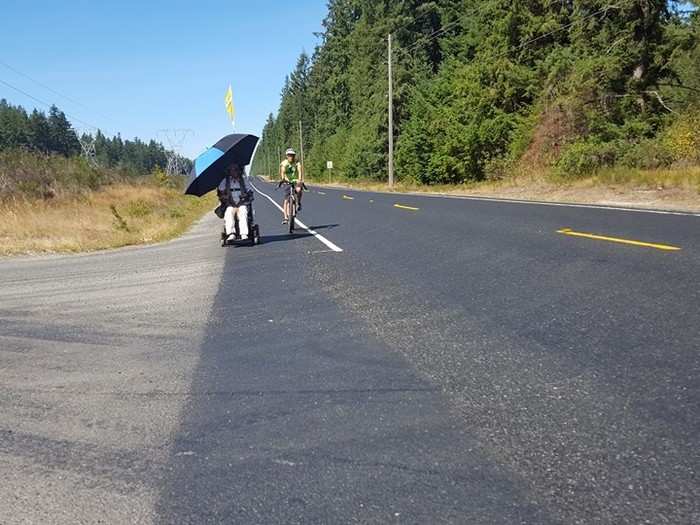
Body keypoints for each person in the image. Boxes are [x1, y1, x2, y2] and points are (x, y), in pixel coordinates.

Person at [217, 164, 251, 242]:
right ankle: (231, 234)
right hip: (230, 204)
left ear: (239, 171)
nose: (234, 171)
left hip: (241, 203)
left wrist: (246, 195)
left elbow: (249, 190)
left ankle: (244, 234)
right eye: (232, 170)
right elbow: (220, 191)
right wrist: (223, 195)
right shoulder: (225, 181)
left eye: (236, 169)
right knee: (228, 214)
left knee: (243, 212)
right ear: (229, 171)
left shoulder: (243, 180)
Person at [279, 148, 304, 224]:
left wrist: (299, 179)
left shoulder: (297, 162)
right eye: (289, 155)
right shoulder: (284, 163)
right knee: (286, 200)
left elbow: (300, 171)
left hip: (295, 180)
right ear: (287, 156)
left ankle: (298, 203)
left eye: (292, 155)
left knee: (299, 190)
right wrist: (283, 179)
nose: (291, 157)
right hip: (287, 181)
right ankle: (286, 217)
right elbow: (282, 172)